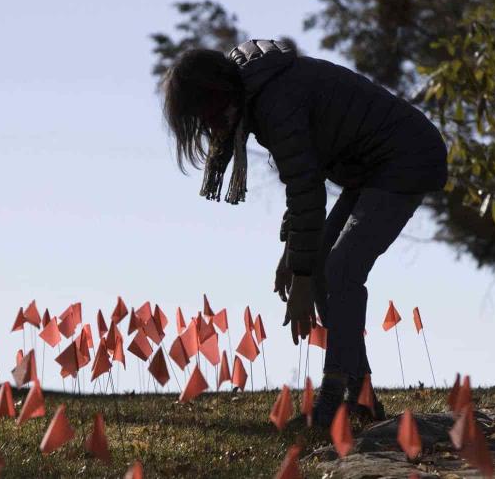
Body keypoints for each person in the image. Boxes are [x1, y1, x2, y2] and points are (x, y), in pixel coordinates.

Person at [159, 39, 448, 427]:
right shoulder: (260, 92)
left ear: (217, 94)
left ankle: (334, 401)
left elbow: (306, 189)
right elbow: (301, 181)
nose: (209, 128)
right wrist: (293, 259)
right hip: (368, 168)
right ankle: (361, 400)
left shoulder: (274, 101)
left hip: (404, 158)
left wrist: (302, 279)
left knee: (340, 270)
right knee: (325, 267)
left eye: (205, 115)